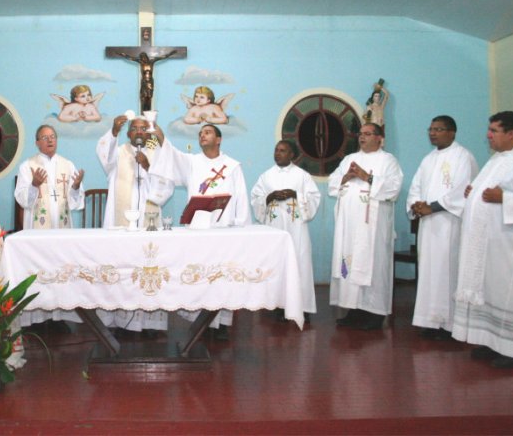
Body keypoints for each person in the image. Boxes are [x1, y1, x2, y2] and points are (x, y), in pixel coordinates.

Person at [149, 123, 251, 339]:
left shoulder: (232, 166)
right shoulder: (192, 162)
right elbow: (172, 158)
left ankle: (222, 323)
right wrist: (161, 138)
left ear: (219, 139)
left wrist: (241, 227)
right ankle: (201, 322)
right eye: (200, 133)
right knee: (201, 275)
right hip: (198, 231)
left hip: (223, 231)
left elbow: (241, 198)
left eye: (207, 132)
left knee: (221, 276)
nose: (202, 135)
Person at [452, 111, 513, 369]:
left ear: (511, 133)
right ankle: (490, 341)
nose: (488, 135)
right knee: (489, 291)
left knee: (509, 293)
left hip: (511, 246)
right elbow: (486, 190)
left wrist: (504, 199)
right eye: (489, 130)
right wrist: (473, 192)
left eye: (494, 131)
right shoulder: (495, 160)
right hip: (488, 244)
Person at [406, 116, 477, 340]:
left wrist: (433, 207)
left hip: (450, 223)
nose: (433, 133)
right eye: (431, 129)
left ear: (452, 132)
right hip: (428, 227)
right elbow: (416, 186)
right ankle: (431, 320)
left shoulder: (463, 157)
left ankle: (450, 325)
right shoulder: (428, 159)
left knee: (448, 271)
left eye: (438, 129)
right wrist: (416, 205)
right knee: (430, 272)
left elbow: (463, 190)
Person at [96, 115, 166, 334]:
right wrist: (113, 132)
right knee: (121, 265)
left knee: (148, 265)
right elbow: (104, 157)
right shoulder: (119, 151)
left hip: (148, 218)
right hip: (120, 220)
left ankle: (150, 322)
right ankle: (119, 319)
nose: (138, 132)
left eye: (143, 128)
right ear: (128, 134)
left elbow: (166, 186)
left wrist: (147, 168)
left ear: (148, 133)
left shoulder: (157, 154)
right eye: (133, 128)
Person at [329, 123, 403, 330]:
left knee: (373, 263)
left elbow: (393, 188)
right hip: (349, 224)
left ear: (380, 138)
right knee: (349, 263)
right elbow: (334, 183)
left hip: (373, 226)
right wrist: (346, 176)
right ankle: (353, 309)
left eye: (368, 134)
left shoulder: (388, 161)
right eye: (360, 134)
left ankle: (375, 312)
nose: (362, 137)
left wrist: (367, 177)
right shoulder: (348, 159)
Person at [15, 125, 84, 331]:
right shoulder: (27, 166)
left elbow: (75, 203)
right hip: (37, 232)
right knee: (38, 270)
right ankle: (36, 319)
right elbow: (21, 199)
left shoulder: (67, 164)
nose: (50, 140)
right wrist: (34, 185)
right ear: (37, 142)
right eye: (45, 137)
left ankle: (59, 317)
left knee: (60, 268)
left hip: (61, 230)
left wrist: (76, 187)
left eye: (52, 136)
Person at [251, 140, 320, 321]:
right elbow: (255, 198)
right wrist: (270, 196)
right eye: (276, 150)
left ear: (292, 155)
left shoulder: (302, 176)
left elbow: (314, 198)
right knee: (277, 263)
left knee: (299, 262)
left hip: (296, 228)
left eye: (283, 151)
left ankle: (302, 307)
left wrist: (295, 194)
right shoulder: (266, 176)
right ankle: (278, 305)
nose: (278, 153)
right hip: (275, 228)